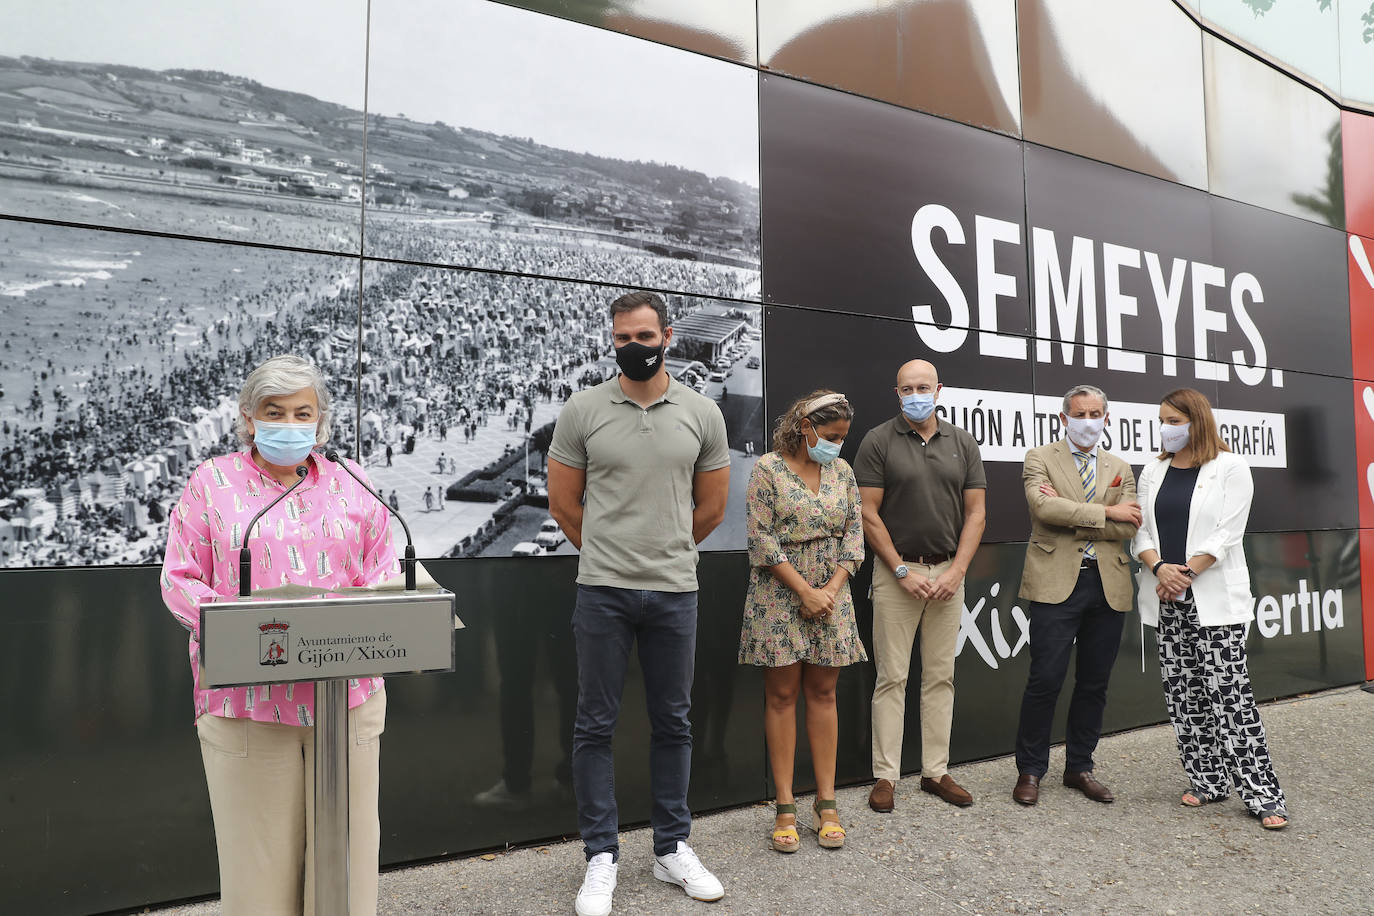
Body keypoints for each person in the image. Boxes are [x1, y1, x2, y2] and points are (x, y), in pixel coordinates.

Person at [160, 355, 400, 916]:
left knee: (346, 869)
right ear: (248, 418)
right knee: (257, 872)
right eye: (274, 412)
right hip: (249, 705)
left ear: (321, 421)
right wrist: (231, 627)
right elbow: (180, 579)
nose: (289, 425)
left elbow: (384, 571)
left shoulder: (353, 482)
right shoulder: (212, 483)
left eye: (302, 413)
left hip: (348, 701)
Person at [547, 291, 731, 916]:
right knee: (594, 725)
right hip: (601, 592)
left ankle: (671, 847)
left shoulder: (703, 413)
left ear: (667, 337)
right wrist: (608, 553)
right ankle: (601, 855)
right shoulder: (582, 409)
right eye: (623, 338)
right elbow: (564, 506)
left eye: (644, 337)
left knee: (673, 724)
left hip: (675, 592)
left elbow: (710, 510)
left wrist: (663, 551)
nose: (633, 348)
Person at [1131, 388, 1288, 830]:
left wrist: (1186, 574)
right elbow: (1139, 533)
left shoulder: (1231, 467)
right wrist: (1161, 569)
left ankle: (1262, 794)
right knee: (1184, 695)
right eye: (1162, 420)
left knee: (1230, 696)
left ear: (1196, 421)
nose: (1166, 428)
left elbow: (1227, 533)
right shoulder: (1154, 470)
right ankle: (1207, 780)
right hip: (1166, 597)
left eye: (1174, 420)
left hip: (1215, 600)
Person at [854, 359, 986, 813]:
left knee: (940, 677)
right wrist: (901, 571)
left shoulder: (962, 442)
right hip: (898, 578)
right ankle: (886, 776)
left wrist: (956, 572)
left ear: (939, 389)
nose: (916, 394)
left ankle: (935, 772)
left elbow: (976, 514)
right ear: (897, 393)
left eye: (923, 386)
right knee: (891, 678)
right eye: (907, 387)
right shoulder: (878, 441)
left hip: (949, 575)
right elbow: (868, 514)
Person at [739, 391, 867, 853]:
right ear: (805, 427)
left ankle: (826, 802)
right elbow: (760, 538)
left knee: (824, 693)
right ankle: (786, 803)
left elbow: (855, 534)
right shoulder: (767, 469)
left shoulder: (843, 472)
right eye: (831, 436)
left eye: (842, 438)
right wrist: (804, 591)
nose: (837, 445)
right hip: (779, 594)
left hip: (833, 595)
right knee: (781, 695)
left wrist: (829, 590)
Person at [1011, 385, 1141, 807]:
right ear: (1063, 419)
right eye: (1079, 413)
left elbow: (1130, 525)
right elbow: (1043, 511)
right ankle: (1031, 769)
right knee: (1045, 679)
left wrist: (1078, 514)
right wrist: (1107, 512)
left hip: (1107, 585)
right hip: (1055, 583)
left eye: (1095, 413)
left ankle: (1080, 767)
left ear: (1107, 418)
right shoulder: (1039, 458)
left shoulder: (1120, 466)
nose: (1088, 421)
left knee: (1094, 682)